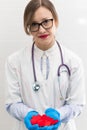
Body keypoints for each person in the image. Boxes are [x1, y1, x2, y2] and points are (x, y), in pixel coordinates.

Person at [5, 0, 86, 130]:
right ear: (28, 28)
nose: (41, 29)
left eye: (46, 22)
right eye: (34, 24)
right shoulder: (14, 61)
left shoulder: (73, 61)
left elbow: (77, 104)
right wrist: (29, 114)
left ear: (56, 21)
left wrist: (59, 115)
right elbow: (12, 103)